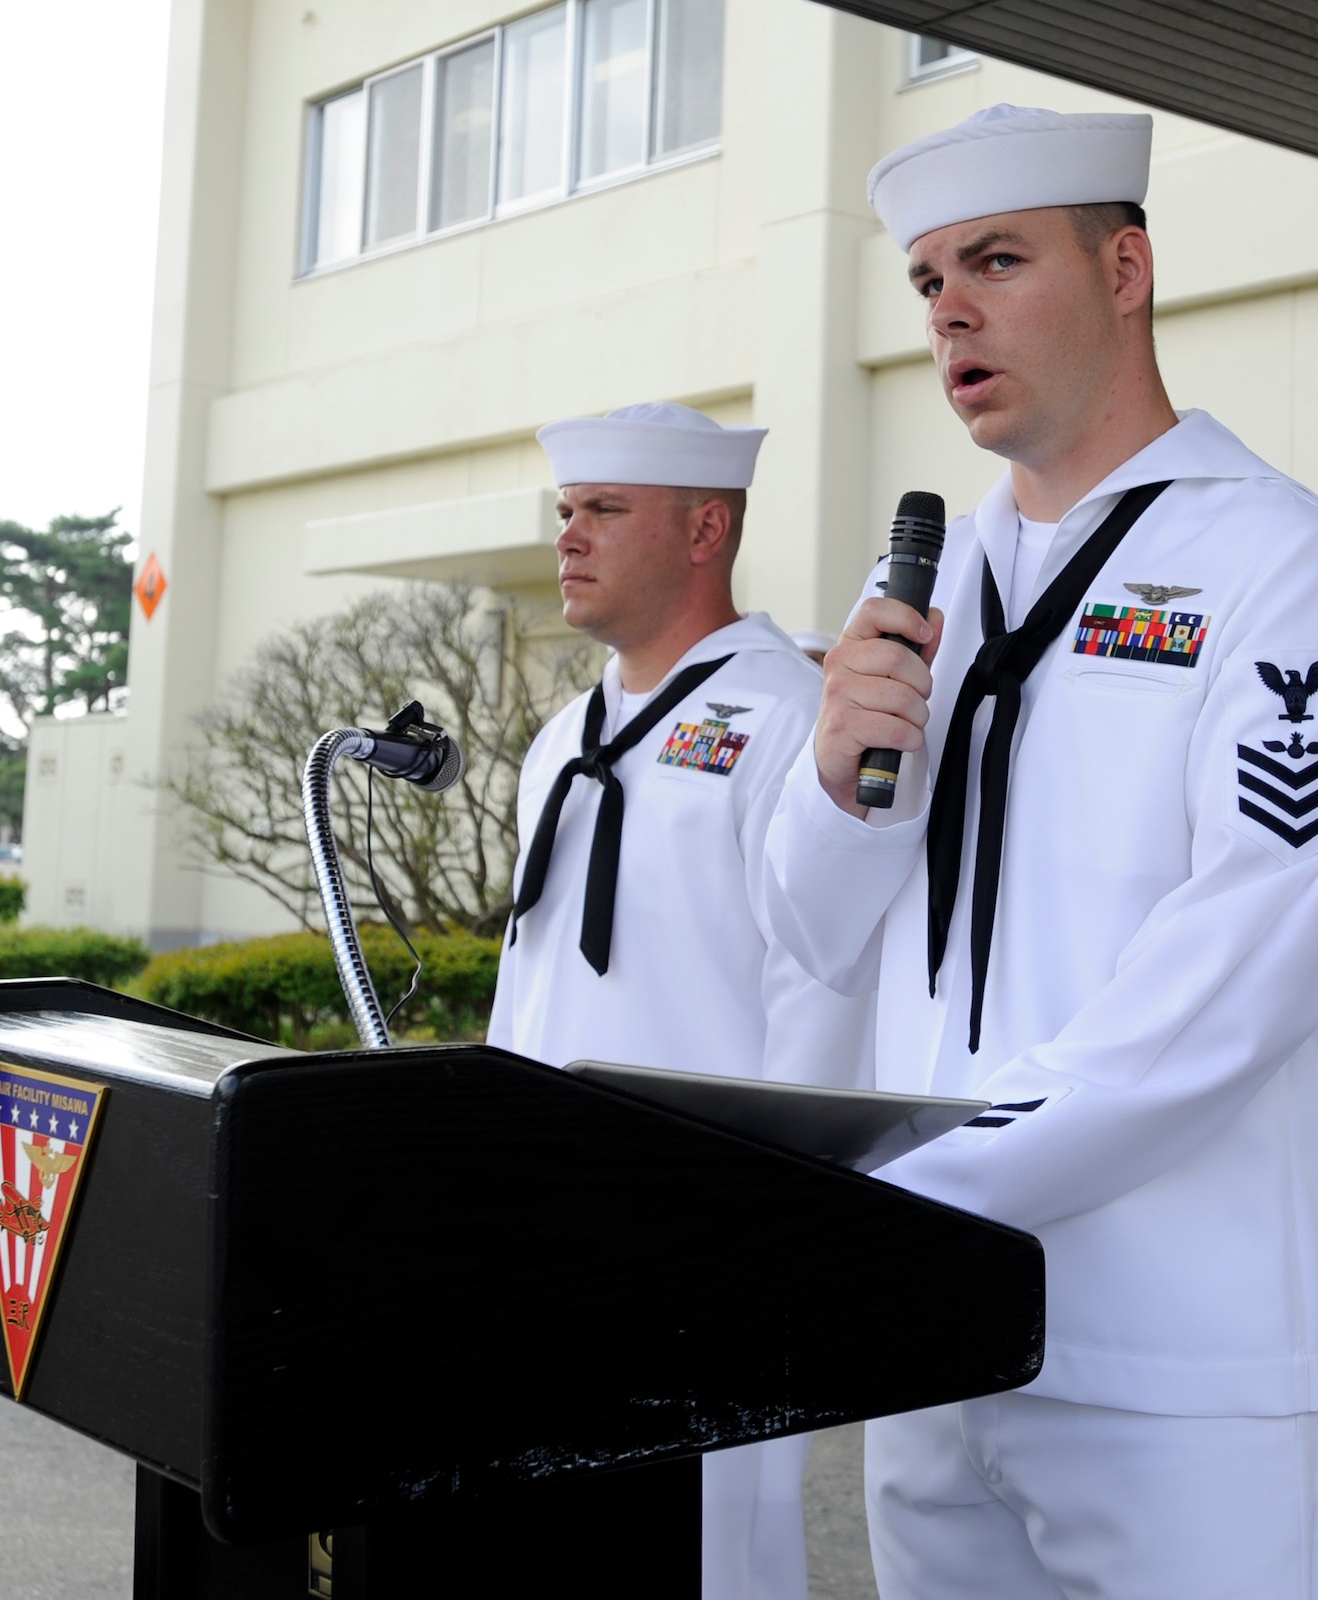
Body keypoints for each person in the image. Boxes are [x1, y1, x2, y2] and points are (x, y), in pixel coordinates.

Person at [761, 104, 1318, 1599]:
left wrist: (929, 1196)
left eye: (996, 259)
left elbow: (1240, 969)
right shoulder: (941, 583)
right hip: (941, 1328)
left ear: (1126, 269)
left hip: (1172, 1348)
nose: (950, 312)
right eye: (928, 280)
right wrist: (832, 776)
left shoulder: (1279, 561)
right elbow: (814, 931)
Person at [488, 400, 865, 1600]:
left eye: (603, 510)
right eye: (565, 512)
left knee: (713, 1562)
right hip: (544, 1231)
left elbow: (821, 996)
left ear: (707, 529)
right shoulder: (558, 743)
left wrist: (769, 1230)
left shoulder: (787, 719)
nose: (569, 538)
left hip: (706, 1242)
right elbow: (528, 986)